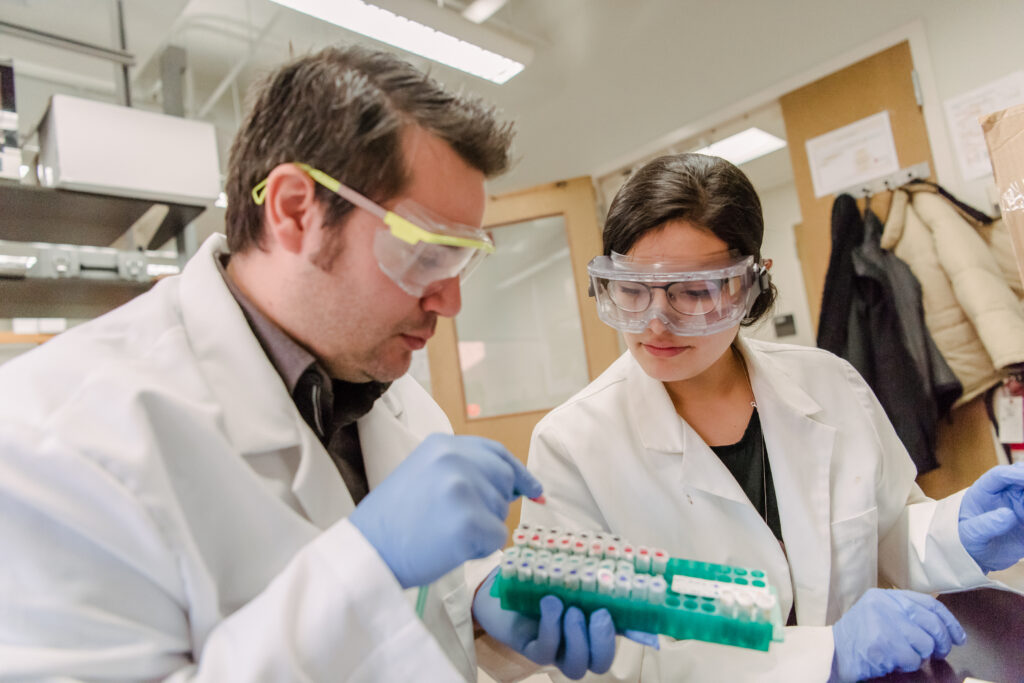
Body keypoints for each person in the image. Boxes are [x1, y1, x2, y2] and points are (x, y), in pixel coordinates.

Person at [0, 46, 616, 682]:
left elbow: (426, 610)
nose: (449, 300)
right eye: (426, 253)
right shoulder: (52, 439)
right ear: (296, 210)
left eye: (460, 261)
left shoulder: (397, 400)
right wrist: (366, 566)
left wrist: (487, 604)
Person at [521, 152, 1024, 682]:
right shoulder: (571, 445)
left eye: (692, 292)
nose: (655, 324)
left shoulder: (829, 384)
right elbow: (607, 657)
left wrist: (954, 530)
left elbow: (885, 532)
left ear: (751, 283)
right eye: (630, 290)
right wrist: (823, 656)